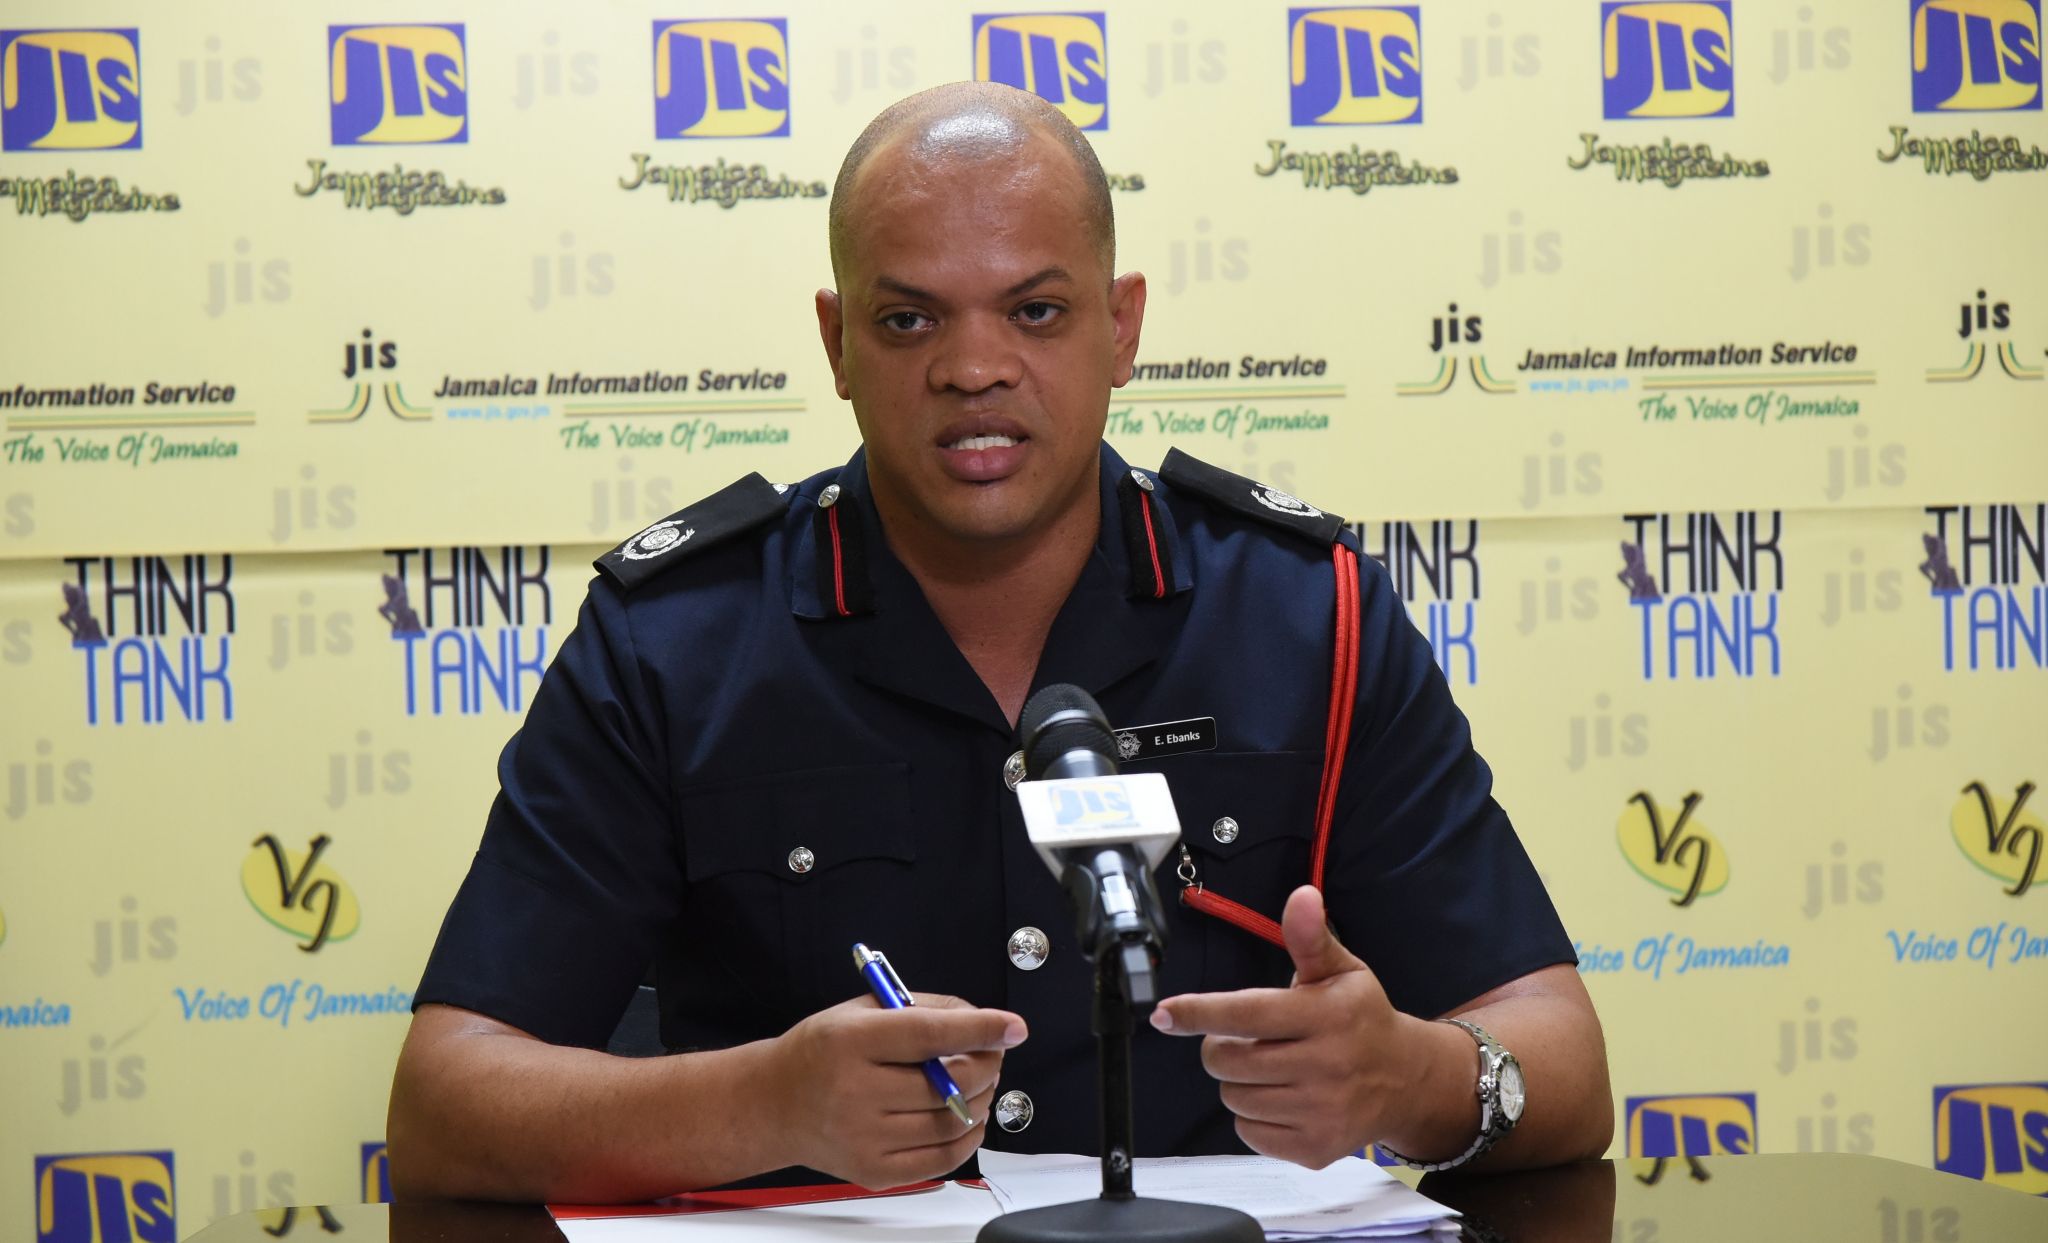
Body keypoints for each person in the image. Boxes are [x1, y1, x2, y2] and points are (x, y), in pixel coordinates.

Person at [387, 81, 1611, 1203]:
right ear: (836, 344)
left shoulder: (1309, 616)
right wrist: (762, 1103)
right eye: (910, 320)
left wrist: (1411, 1077)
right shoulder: (676, 641)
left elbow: (1559, 1063)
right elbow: (445, 1101)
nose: (975, 368)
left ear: (1120, 328)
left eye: (1034, 310)